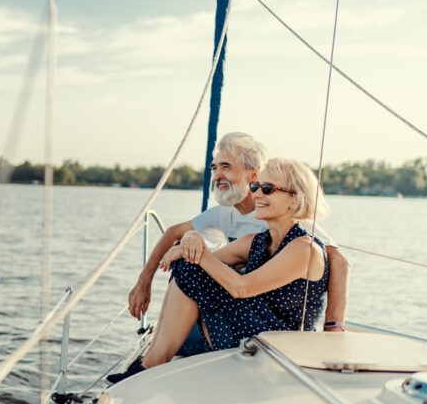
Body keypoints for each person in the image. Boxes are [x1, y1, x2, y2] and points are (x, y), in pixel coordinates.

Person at [109, 157, 330, 383]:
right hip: (256, 333)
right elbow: (201, 265)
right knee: (189, 267)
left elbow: (241, 288)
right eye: (255, 187)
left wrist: (196, 250)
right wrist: (191, 240)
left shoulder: (305, 249)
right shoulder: (258, 241)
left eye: (268, 189)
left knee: (192, 266)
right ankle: (151, 360)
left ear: (295, 200)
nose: (257, 195)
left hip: (283, 348)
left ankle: (152, 364)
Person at [127, 133, 350, 356]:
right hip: (241, 309)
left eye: (226, 167)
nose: (217, 175)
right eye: (214, 168)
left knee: (189, 282)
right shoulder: (227, 215)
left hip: (269, 320)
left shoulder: (293, 221)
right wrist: (144, 281)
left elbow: (338, 261)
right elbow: (174, 232)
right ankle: (153, 358)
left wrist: (333, 330)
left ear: (252, 174)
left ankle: (156, 357)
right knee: (186, 268)